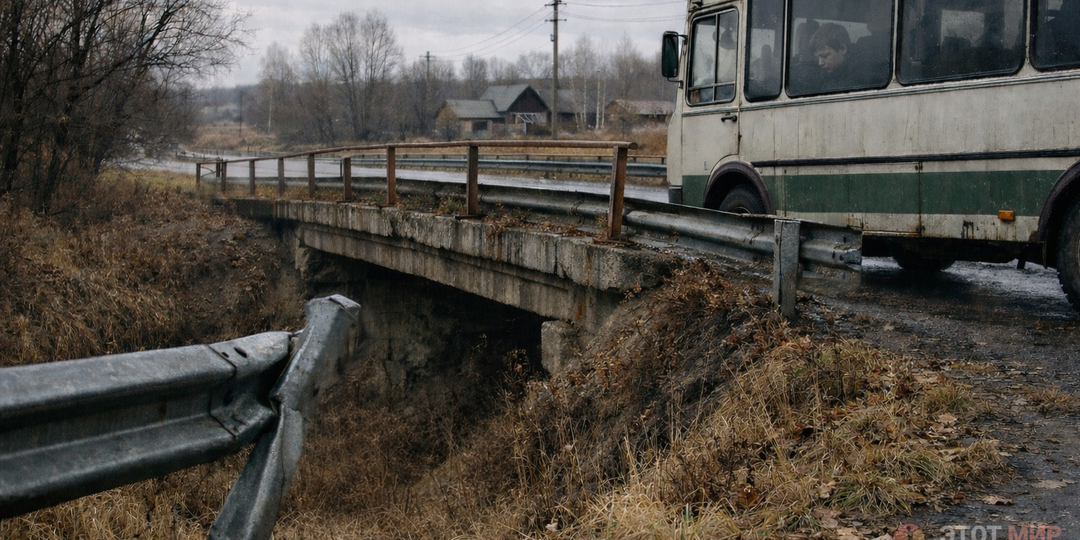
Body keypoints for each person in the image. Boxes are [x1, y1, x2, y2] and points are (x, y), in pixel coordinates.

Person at [809, 23, 864, 92]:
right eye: (818, 58)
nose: (820, 63)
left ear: (842, 49)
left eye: (825, 56)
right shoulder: (827, 72)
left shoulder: (861, 75)